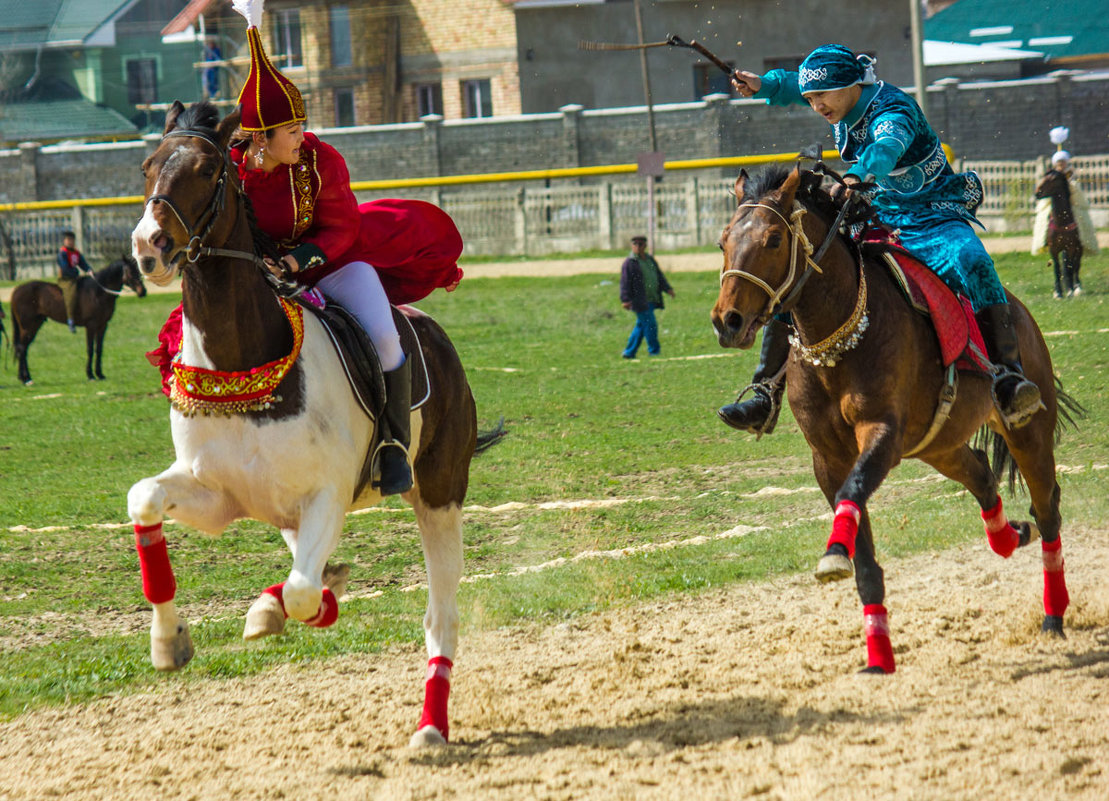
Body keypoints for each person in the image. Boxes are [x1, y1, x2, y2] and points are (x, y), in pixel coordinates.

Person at [718, 43, 1042, 433]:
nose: (816, 105)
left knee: (973, 261)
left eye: (821, 96)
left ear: (852, 85)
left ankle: (1009, 378)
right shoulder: (839, 98)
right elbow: (793, 83)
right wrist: (764, 85)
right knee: (799, 268)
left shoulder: (894, 110)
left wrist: (857, 175)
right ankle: (766, 392)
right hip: (878, 213)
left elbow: (886, 148)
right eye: (810, 98)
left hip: (933, 213)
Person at [223, 0, 463, 494]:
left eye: (300, 124)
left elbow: (340, 229)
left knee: (385, 336)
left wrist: (295, 259)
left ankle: (393, 446)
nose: (301, 134)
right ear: (260, 139)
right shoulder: (230, 173)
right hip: (264, 279)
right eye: (291, 129)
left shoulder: (319, 160)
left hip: (334, 264)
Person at [1031, 149, 1100, 297]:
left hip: (1070, 204)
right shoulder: (1052, 175)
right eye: (1059, 162)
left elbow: (1076, 193)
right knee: (1043, 215)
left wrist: (1069, 182)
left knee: (1080, 217)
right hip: (1053, 204)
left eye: (1063, 162)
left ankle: (1084, 239)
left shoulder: (1070, 176)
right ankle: (1043, 240)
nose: (1061, 164)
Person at [619, 235, 675, 358]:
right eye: (635, 244)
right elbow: (624, 282)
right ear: (632, 246)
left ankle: (629, 352)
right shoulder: (630, 263)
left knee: (641, 326)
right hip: (639, 300)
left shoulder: (649, 260)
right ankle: (654, 351)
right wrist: (625, 299)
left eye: (641, 244)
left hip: (651, 298)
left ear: (645, 245)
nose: (638, 247)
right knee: (650, 325)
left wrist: (668, 288)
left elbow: (658, 276)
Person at [57, 230, 93, 333]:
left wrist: (89, 270)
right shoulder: (62, 253)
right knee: (71, 295)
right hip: (66, 279)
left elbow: (83, 263)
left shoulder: (76, 252)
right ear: (64, 241)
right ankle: (70, 319)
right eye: (68, 240)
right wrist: (76, 272)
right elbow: (64, 268)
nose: (70, 242)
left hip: (75, 278)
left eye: (72, 240)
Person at [202, 36, 222, 100]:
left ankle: (214, 95)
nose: (210, 45)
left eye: (211, 44)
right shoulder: (208, 51)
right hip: (208, 70)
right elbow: (206, 59)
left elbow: (218, 59)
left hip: (214, 70)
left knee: (214, 82)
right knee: (207, 82)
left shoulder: (216, 50)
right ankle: (210, 95)